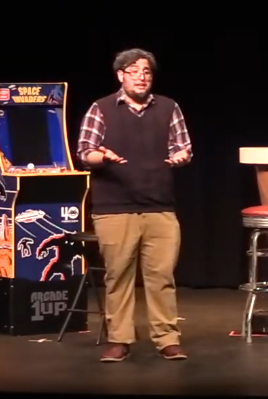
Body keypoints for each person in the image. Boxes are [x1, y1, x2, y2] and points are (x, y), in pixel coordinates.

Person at [77, 48, 192, 363]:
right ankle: (120, 339)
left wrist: (181, 157)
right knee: (119, 275)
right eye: (133, 71)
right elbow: (85, 153)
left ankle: (167, 339)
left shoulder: (169, 107)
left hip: (159, 207)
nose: (141, 77)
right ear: (120, 76)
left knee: (162, 276)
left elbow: (183, 146)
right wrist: (104, 157)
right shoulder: (100, 109)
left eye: (146, 72)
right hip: (115, 207)